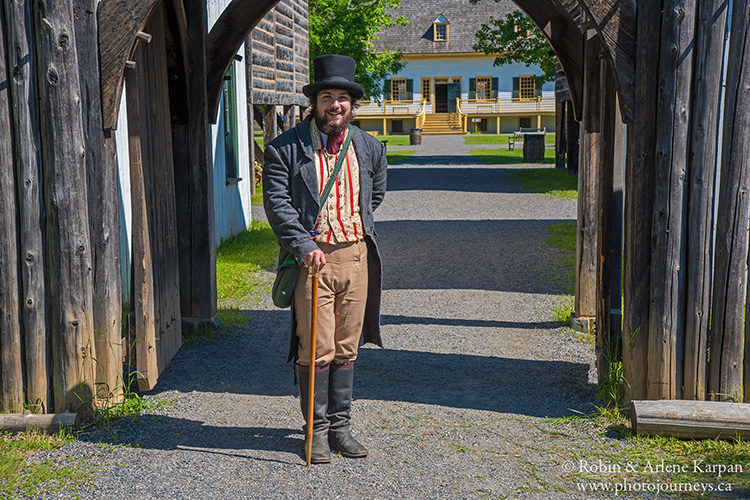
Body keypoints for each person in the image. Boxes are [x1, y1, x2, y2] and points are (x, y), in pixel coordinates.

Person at [263, 54, 387, 464]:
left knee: (348, 347)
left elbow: (375, 196)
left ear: (352, 105)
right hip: (312, 262)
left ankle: (340, 429)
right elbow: (278, 205)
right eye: (327, 97)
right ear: (314, 102)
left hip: (356, 257)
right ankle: (314, 432)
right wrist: (304, 244)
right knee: (315, 348)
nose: (335, 105)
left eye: (343, 98)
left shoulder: (370, 147)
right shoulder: (285, 149)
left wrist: (351, 231)